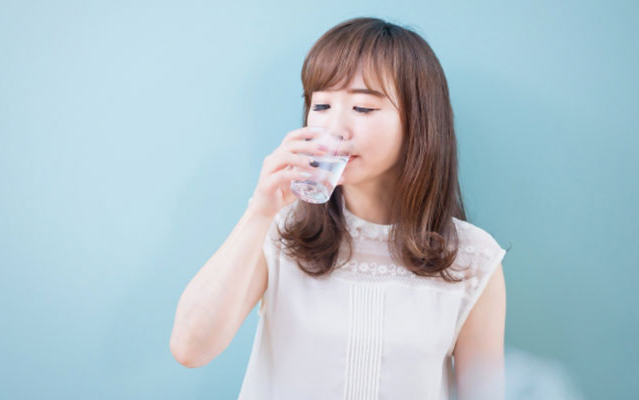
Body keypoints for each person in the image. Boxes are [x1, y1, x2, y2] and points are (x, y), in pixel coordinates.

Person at [170, 16, 508, 400]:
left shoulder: (471, 258)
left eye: (363, 108)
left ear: (419, 122)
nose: (336, 127)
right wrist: (259, 212)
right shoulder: (281, 231)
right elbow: (190, 349)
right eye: (322, 104)